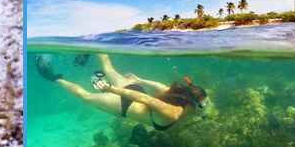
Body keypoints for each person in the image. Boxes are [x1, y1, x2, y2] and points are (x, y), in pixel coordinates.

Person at [35, 53, 208, 131]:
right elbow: (144, 99)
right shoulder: (173, 113)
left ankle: (93, 45)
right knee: (85, 96)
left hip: (134, 90)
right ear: (191, 102)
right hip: (125, 105)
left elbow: (156, 87)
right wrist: (110, 89)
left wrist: (139, 81)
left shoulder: (178, 94)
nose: (203, 107)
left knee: (108, 68)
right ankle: (53, 77)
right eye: (202, 105)